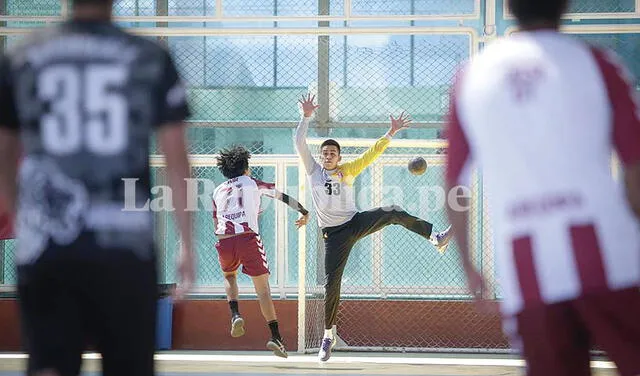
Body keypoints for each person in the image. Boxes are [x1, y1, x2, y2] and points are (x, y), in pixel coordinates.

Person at [0, 0, 196, 375]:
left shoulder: (22, 56)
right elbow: (176, 157)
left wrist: (26, 222)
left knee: (50, 366)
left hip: (48, 245)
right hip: (125, 247)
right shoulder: (148, 55)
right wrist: (186, 243)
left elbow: (5, 155)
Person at [445, 0, 640, 375]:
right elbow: (634, 165)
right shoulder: (598, 64)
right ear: (565, 4)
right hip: (609, 256)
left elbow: (456, 184)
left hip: (529, 268)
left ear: (508, 7)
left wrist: (468, 263)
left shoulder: (471, 77)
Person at [294, 94, 454, 361]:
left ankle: (434, 237)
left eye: (333, 152)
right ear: (321, 157)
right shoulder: (314, 172)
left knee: (391, 211)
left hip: (354, 223)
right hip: (333, 236)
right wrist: (306, 116)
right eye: (325, 153)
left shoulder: (349, 169)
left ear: (339, 156)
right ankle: (327, 336)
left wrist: (390, 132)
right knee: (332, 284)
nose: (329, 155)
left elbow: (373, 153)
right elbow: (299, 142)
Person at [212, 145, 310, 358]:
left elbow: (217, 218)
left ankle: (235, 314)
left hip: (224, 240)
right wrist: (303, 210)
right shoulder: (252, 182)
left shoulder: (218, 190)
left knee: (229, 275)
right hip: (247, 238)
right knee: (263, 289)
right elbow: (281, 196)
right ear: (246, 168)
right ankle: (276, 337)